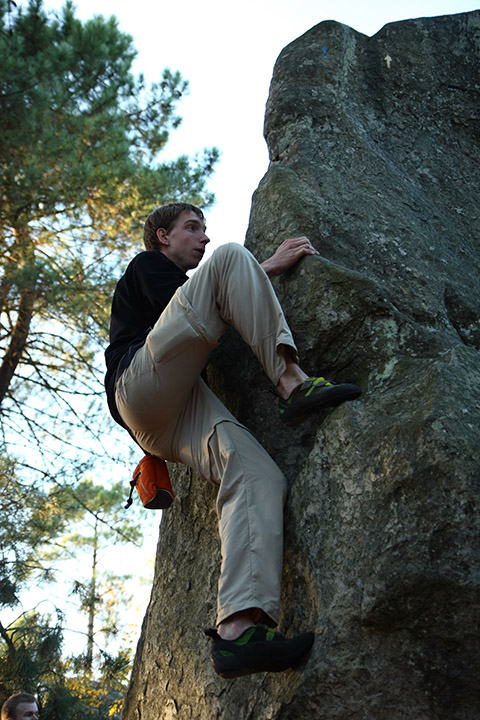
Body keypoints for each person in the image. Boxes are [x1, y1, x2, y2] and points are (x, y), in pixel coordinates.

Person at [105, 202, 361, 678]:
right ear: (162, 236)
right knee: (230, 258)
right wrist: (265, 266)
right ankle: (292, 383)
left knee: (258, 475)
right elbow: (204, 297)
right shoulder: (147, 266)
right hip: (137, 384)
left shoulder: (181, 289)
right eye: (192, 228)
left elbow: (198, 317)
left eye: (204, 228)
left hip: (170, 413)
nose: (202, 237)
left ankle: (237, 630)